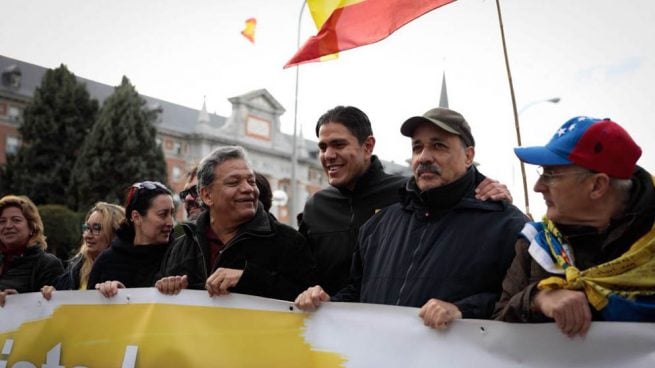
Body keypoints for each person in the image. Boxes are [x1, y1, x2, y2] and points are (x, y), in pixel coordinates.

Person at [295, 107, 527, 329]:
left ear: (468, 156)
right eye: (417, 148)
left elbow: (520, 302)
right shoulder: (379, 225)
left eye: (438, 146)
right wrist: (327, 304)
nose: (424, 157)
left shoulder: (507, 225)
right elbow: (358, 292)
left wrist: (461, 310)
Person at [493, 117, 655, 337]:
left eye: (551, 174)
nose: (538, 187)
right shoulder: (536, 243)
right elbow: (496, 327)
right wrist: (537, 299)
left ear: (597, 186)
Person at [156, 146, 317, 301]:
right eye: (234, 182)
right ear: (207, 195)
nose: (248, 188)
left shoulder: (289, 242)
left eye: (251, 181)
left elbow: (308, 301)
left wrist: (248, 278)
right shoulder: (182, 247)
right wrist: (166, 288)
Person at [89, 181, 175, 298]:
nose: (171, 222)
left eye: (172, 213)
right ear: (136, 217)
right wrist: (113, 295)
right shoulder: (106, 262)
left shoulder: (179, 255)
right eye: (162, 214)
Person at [41, 202, 125, 300]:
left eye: (96, 228)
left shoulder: (129, 268)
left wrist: (120, 291)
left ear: (115, 233)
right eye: (86, 228)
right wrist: (53, 293)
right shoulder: (77, 266)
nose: (87, 235)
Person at [0, 195, 63, 306]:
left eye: (16, 220)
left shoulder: (47, 264)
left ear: (32, 227)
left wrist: (18, 301)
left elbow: (53, 311)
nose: (8, 226)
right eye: (2, 221)